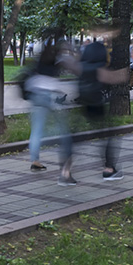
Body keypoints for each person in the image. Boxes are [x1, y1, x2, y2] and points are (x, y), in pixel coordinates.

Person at [78, 25, 129, 181]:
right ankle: (109, 168)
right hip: (96, 103)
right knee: (108, 134)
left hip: (84, 102)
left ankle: (65, 171)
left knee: (75, 136)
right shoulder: (98, 68)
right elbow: (113, 78)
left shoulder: (84, 66)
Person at [25, 33, 76, 185]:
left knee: (37, 129)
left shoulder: (40, 57)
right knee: (63, 128)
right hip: (49, 95)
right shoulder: (58, 58)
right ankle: (66, 157)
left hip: (35, 94)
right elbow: (72, 66)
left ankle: (35, 160)